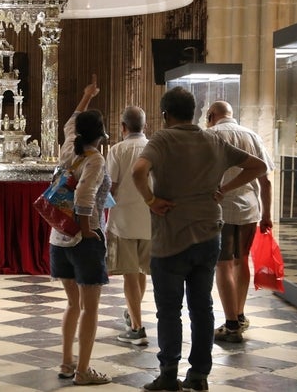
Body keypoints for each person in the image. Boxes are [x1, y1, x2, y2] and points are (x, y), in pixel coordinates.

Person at [132, 87, 267, 392]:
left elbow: (139, 171)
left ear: (165, 114)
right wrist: (225, 188)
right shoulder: (214, 139)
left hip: (171, 236)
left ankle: (168, 374)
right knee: (202, 307)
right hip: (208, 234)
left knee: (169, 310)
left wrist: (151, 200)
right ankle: (199, 375)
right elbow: (258, 166)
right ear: (194, 113)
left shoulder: (163, 139)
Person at [51, 77, 112, 386]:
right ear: (100, 135)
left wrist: (86, 96)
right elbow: (85, 197)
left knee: (73, 305)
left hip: (58, 237)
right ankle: (83, 371)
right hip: (82, 241)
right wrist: (89, 231)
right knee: (90, 308)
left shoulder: (68, 150)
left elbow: (70, 124)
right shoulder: (95, 158)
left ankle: (65, 362)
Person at [206, 101, 274, 343]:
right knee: (242, 260)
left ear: (212, 115)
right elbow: (265, 181)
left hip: (219, 208)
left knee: (223, 264)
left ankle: (232, 322)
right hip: (248, 207)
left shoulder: (209, 135)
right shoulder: (252, 136)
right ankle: (240, 313)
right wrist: (267, 215)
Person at [105, 106, 151, 346]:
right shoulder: (155, 147)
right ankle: (134, 314)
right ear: (145, 126)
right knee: (141, 271)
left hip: (124, 220)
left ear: (123, 127)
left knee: (130, 275)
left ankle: (136, 328)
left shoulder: (118, 150)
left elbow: (110, 185)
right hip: (151, 219)